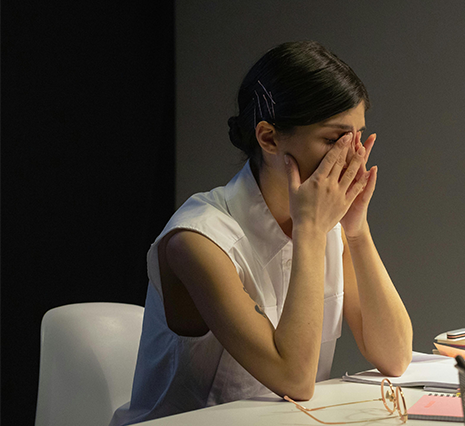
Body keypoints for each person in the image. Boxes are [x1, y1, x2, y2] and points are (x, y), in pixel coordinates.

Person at [110, 41, 413, 425]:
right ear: (269, 138)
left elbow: (395, 355)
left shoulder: (327, 227)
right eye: (334, 139)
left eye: (358, 137)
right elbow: (294, 380)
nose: (352, 156)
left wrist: (356, 230)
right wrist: (310, 231)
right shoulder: (197, 238)